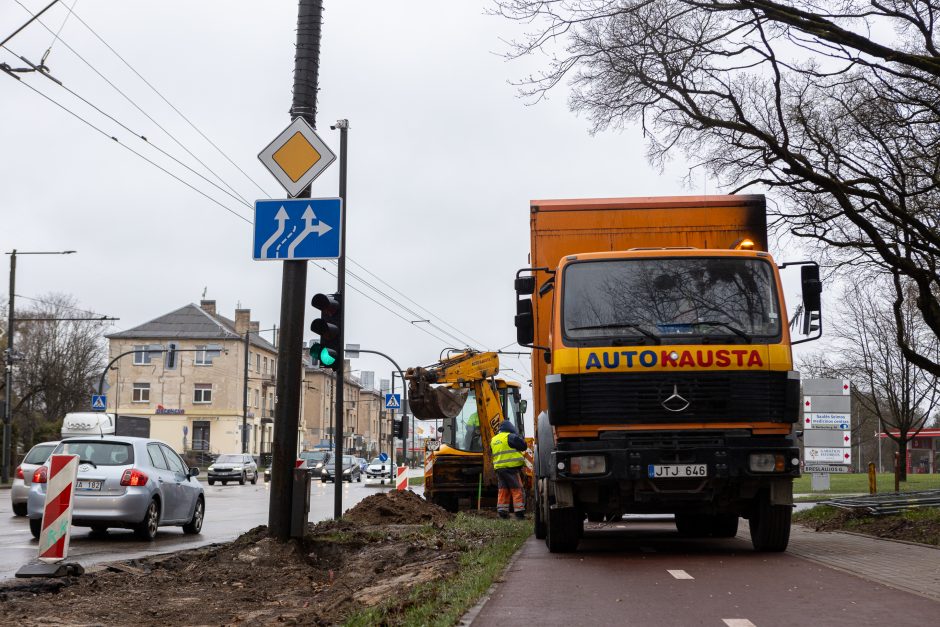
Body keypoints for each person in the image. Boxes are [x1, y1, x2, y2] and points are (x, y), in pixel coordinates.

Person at [490, 420, 527, 519]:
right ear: (510, 428)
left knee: (503, 490)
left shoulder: (493, 439)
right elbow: (523, 446)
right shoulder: (510, 437)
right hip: (511, 468)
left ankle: (502, 512)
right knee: (517, 489)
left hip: (499, 469)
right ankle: (519, 513)